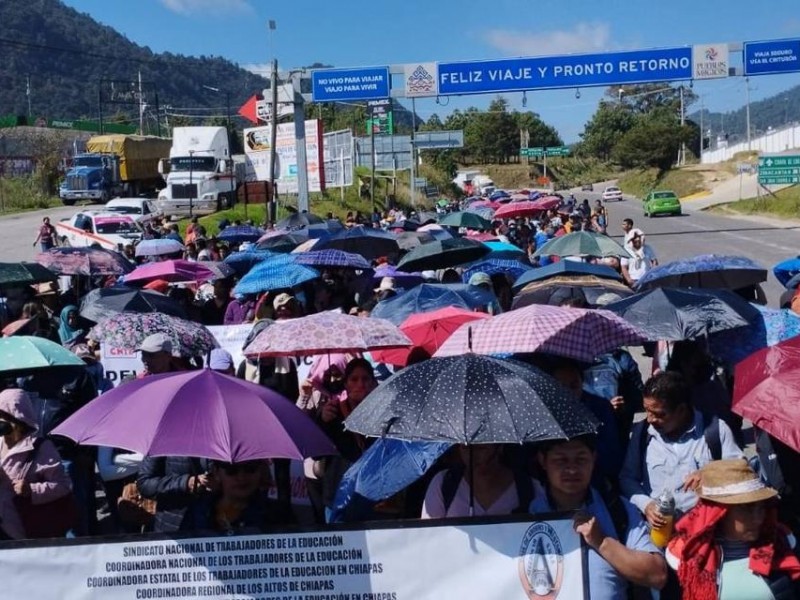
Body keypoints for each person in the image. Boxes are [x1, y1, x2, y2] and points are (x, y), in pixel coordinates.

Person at [531, 435, 667, 599]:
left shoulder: (617, 509)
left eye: (581, 460)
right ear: (542, 460)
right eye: (561, 460)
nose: (572, 469)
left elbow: (657, 575)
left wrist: (602, 542)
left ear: (593, 459)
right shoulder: (526, 514)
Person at [620, 371, 743, 528]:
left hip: (707, 530)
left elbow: (741, 472)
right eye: (647, 411)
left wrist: (712, 475)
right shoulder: (642, 433)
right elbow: (627, 478)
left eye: (659, 414)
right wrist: (646, 505)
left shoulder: (716, 430)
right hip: (660, 533)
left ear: (681, 410)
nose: (650, 419)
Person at [666, 459, 800, 600]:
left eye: (761, 506)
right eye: (746, 508)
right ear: (719, 512)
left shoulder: (782, 542)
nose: (758, 517)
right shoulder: (684, 559)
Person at [0, 389, 73, 538]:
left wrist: (31, 490)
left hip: (21, 529)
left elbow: (64, 485)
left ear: (16, 418)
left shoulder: (41, 447)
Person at [313, 358, 377, 516]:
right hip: (337, 496)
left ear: (373, 383)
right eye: (354, 379)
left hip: (370, 496)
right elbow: (316, 455)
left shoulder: (380, 414)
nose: (360, 384)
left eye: (365, 379)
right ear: (346, 384)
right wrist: (323, 422)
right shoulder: (332, 412)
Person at [421, 444, 534, 518]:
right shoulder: (442, 483)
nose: (472, 455)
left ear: (500, 447)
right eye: (465, 447)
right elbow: (429, 537)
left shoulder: (528, 488)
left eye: (481, 448)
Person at [179, 460, 291, 534]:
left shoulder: (278, 514)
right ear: (216, 473)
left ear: (261, 471)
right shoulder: (198, 512)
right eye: (231, 471)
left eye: (250, 469)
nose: (241, 478)